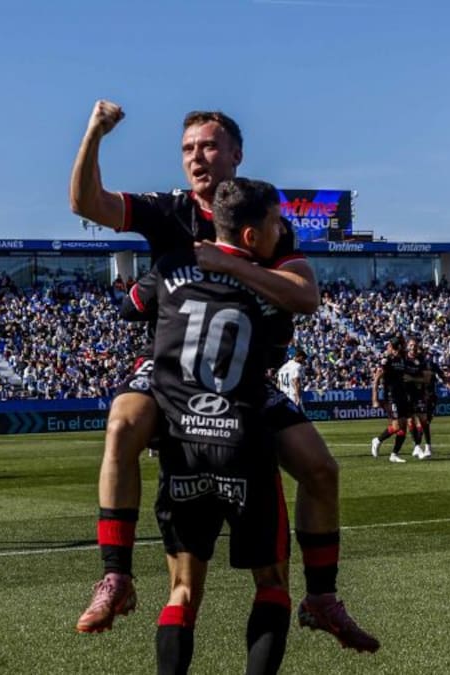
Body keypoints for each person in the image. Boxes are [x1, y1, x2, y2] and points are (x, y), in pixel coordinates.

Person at [71, 100, 374, 651]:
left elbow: (306, 294)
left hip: (245, 380)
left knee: (321, 469)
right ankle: (115, 575)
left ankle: (322, 597)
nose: (197, 158)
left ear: (236, 153)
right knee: (121, 424)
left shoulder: (264, 219)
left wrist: (232, 263)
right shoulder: (167, 211)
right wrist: (94, 133)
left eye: (209, 146)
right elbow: (86, 202)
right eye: (188, 149)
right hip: (171, 373)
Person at [121, 178, 300, 673]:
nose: (281, 230)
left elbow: (131, 307)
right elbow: (280, 341)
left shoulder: (172, 266)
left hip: (182, 443)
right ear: (250, 236)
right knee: (271, 582)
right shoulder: (268, 286)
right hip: (243, 441)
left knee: (182, 589)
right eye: (274, 223)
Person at [370, 337, 412, 463]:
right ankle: (377, 440)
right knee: (397, 426)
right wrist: (375, 397)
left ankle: (394, 454)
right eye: (402, 345)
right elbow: (377, 378)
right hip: (391, 396)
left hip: (402, 395)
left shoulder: (403, 360)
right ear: (397, 347)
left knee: (404, 426)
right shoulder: (386, 360)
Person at [403, 337, 433, 460]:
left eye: (415, 345)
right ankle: (416, 446)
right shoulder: (403, 359)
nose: (413, 347)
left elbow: (427, 379)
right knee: (410, 421)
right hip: (405, 394)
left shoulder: (422, 360)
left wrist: (412, 379)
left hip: (419, 393)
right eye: (411, 345)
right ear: (407, 346)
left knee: (423, 420)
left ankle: (428, 447)